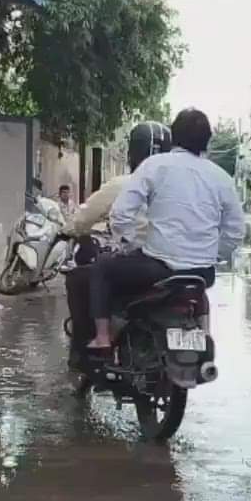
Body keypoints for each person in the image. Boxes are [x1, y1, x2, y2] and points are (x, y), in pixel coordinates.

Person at [86, 108, 246, 352]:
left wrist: (129, 244)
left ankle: (103, 338)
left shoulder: (155, 166)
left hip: (157, 269)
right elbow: (235, 231)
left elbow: (121, 214)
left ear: (174, 136)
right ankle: (204, 338)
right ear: (207, 140)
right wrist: (213, 256)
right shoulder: (221, 177)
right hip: (202, 274)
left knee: (101, 269)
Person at [63, 121, 171, 368]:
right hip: (179, 264)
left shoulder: (124, 183)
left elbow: (86, 216)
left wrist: (66, 230)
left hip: (143, 262)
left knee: (81, 278)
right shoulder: (178, 186)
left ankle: (91, 346)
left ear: (134, 152)